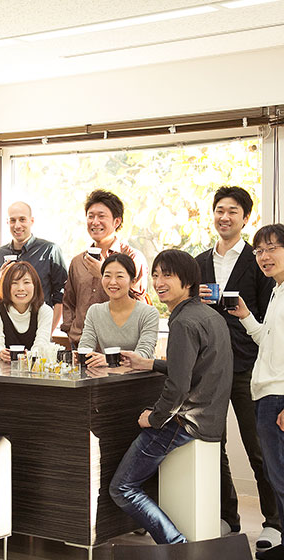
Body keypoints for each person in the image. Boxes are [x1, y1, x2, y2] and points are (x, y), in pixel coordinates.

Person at [109, 249, 232, 544]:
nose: (158, 281)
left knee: (121, 488)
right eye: (155, 275)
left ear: (187, 281)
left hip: (182, 423)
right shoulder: (209, 316)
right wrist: (149, 363)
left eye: (167, 275)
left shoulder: (182, 323)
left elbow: (177, 388)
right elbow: (197, 367)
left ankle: (176, 545)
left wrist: (153, 417)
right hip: (210, 418)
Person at [196, 186, 280, 550]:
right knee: (213, 444)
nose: (224, 216)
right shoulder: (198, 262)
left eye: (233, 210)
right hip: (210, 368)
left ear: (246, 217)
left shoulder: (260, 262)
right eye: (219, 210)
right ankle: (227, 516)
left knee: (259, 447)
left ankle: (274, 522)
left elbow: (267, 324)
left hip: (249, 367)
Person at [229, 224, 284, 560]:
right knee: (277, 477)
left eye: (272, 248)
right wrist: (248, 317)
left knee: (280, 478)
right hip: (266, 394)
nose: (264, 256)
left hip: (278, 397)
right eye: (259, 251)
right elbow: (269, 342)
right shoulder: (278, 290)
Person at [62, 189, 148, 348]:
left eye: (101, 216)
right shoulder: (77, 262)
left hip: (117, 346)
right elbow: (69, 303)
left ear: (116, 222)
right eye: (90, 216)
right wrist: (70, 329)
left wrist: (104, 276)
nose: (95, 222)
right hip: (80, 344)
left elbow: (139, 306)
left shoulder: (133, 258)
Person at [0, 201, 67, 331]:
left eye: (22, 219)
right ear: (7, 222)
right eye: (12, 220)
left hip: (39, 328)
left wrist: (47, 333)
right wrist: (1, 280)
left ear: (31, 221)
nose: (17, 225)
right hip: (5, 333)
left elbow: (60, 297)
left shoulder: (50, 250)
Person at [78, 253, 159, 366]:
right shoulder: (94, 311)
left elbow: (143, 353)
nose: (112, 282)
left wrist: (109, 359)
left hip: (141, 378)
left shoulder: (148, 313)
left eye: (119, 276)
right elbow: (85, 348)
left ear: (133, 281)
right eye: (107, 276)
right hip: (107, 378)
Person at [0, 261, 53, 361]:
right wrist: (0, 352)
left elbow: (42, 342)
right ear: (6, 286)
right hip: (2, 368)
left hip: (34, 368)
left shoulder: (44, 310)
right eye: (14, 283)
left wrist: (32, 355)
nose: (21, 288)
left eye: (26, 282)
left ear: (35, 286)